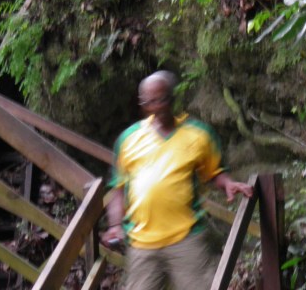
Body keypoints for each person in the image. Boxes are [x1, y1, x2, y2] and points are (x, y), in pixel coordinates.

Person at [102, 70, 253, 290]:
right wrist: (115, 225)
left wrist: (228, 183)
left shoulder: (198, 134)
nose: (156, 106)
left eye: (161, 99)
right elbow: (118, 187)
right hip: (142, 244)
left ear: (172, 98)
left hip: (187, 238)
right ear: (142, 104)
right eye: (149, 101)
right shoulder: (128, 139)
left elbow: (214, 172)